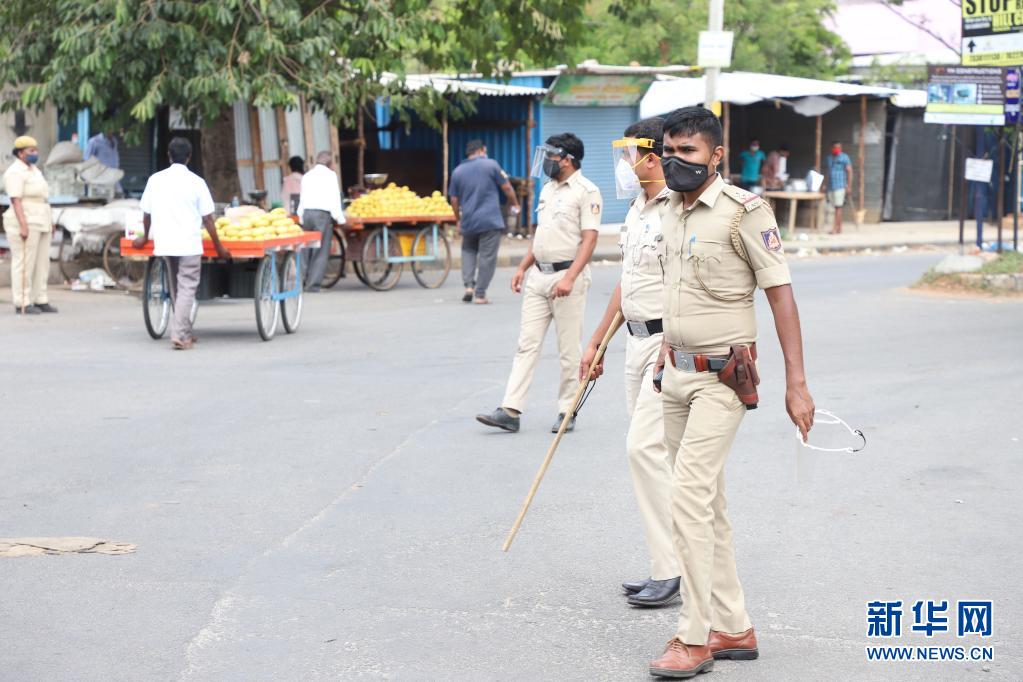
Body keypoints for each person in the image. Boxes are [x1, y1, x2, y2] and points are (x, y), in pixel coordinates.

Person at [646, 107, 815, 678]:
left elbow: (780, 294)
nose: (675, 161)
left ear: (716, 155)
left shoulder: (745, 212)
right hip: (675, 373)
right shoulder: (668, 209)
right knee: (706, 504)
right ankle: (735, 626)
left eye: (688, 151)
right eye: (669, 150)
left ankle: (693, 636)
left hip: (723, 378)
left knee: (687, 498)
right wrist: (658, 348)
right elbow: (670, 288)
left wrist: (797, 383)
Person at [579, 118, 680, 607]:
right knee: (657, 457)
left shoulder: (677, 210)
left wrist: (671, 344)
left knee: (644, 450)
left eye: (628, 154)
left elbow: (685, 285)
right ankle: (674, 562)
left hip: (668, 346)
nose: (623, 163)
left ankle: (671, 570)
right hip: (635, 344)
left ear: (651, 156)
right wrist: (597, 341)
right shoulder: (637, 208)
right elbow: (628, 283)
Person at [476, 133, 601, 434]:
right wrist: (523, 266)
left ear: (567, 159)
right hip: (538, 276)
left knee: (568, 349)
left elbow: (590, 239)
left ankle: (567, 409)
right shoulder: (547, 189)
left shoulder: (587, 191)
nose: (546, 162)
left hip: (566, 277)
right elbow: (541, 235)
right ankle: (510, 410)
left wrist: (570, 277)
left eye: (551, 156)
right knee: (526, 345)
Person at [132, 137, 230, 349]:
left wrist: (145, 237)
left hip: (165, 243)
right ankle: (179, 334)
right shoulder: (197, 182)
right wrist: (219, 247)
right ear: (189, 157)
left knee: (177, 287)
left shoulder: (155, 180)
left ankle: (184, 331)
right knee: (187, 287)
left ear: (168, 155)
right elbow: (208, 219)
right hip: (189, 243)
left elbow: (146, 214)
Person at [448, 139, 520, 305]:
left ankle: (468, 286)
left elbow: (454, 200)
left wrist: (458, 219)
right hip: (490, 221)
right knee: (487, 257)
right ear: (481, 151)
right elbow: (507, 187)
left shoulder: (457, 171)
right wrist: (515, 204)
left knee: (468, 251)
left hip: (468, 221)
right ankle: (480, 294)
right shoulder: (491, 165)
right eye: (485, 151)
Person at [3, 135, 57, 315]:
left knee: (42, 262)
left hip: (41, 219)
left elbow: (43, 198)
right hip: (25, 219)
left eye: (36, 150)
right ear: (20, 153)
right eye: (31, 151)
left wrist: (51, 222)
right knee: (25, 262)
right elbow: (15, 200)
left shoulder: (35, 171)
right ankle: (23, 302)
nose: (35, 153)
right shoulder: (15, 172)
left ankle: (40, 298)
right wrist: (23, 225)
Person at [297, 151, 344, 292]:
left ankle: (300, 283)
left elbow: (302, 198)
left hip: (307, 214)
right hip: (322, 216)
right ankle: (313, 285)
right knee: (320, 250)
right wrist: (340, 219)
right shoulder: (331, 176)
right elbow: (335, 199)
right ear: (330, 164)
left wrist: (301, 217)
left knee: (305, 249)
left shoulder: (307, 176)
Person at [825, 141, 853, 234]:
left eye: (839, 147)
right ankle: (839, 228)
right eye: (835, 147)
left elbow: (850, 172)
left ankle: (834, 228)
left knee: (838, 207)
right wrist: (824, 185)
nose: (837, 149)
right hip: (831, 186)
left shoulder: (844, 157)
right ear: (831, 148)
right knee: (835, 207)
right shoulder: (829, 158)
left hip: (840, 185)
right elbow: (828, 172)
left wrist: (849, 186)